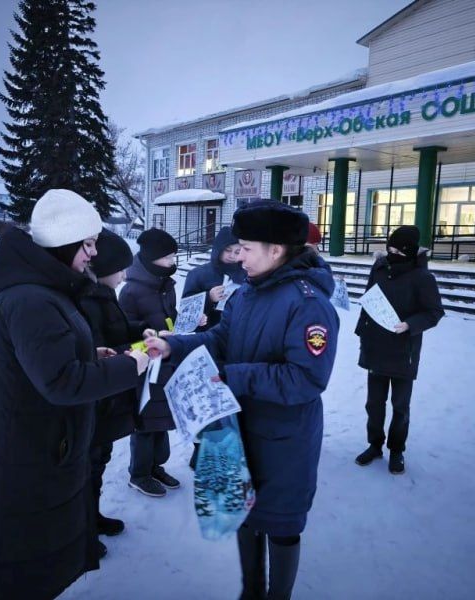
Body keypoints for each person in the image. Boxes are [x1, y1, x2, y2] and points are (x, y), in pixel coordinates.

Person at [147, 201, 340, 600]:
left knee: (282, 523)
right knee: (244, 512)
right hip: (238, 428)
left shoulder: (308, 303)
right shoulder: (247, 293)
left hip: (285, 439)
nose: (239, 256)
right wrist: (174, 346)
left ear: (276, 250)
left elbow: (306, 379)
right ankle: (250, 591)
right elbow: (219, 340)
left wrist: (233, 377)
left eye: (247, 248)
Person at [0, 189, 149, 599]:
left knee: (33, 566)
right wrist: (129, 365)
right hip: (21, 457)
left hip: (38, 449)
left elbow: (54, 360)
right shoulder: (31, 299)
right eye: (87, 243)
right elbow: (62, 383)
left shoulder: (47, 291)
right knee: (15, 570)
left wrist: (93, 353)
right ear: (64, 243)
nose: (93, 253)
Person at [77, 228, 151, 556]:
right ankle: (81, 534)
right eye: (120, 269)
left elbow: (117, 330)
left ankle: (92, 518)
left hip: (108, 398)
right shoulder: (85, 300)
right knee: (86, 467)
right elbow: (98, 347)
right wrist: (137, 349)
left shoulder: (104, 295)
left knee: (98, 461)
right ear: (104, 268)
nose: (124, 275)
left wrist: (141, 332)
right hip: (93, 398)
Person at [353, 225, 444, 475]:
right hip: (375, 346)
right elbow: (368, 299)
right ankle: (374, 445)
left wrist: (410, 325)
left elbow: (434, 312)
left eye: (396, 249)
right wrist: (362, 329)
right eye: (388, 247)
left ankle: (396, 450)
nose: (390, 253)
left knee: (400, 406)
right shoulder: (380, 268)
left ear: (408, 251)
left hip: (404, 350)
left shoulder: (423, 278)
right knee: (374, 403)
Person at [118, 228, 182, 498]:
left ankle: (156, 466)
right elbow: (123, 337)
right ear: (153, 259)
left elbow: (169, 318)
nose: (173, 262)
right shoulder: (130, 292)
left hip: (166, 362)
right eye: (168, 257)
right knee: (145, 422)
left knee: (163, 419)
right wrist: (151, 341)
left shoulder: (166, 285)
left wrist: (186, 322)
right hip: (145, 367)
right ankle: (139, 473)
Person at [181, 225, 245, 469]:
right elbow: (185, 314)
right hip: (206, 345)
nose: (232, 256)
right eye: (227, 250)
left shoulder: (247, 273)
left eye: (237, 250)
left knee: (231, 399)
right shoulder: (200, 274)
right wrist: (207, 299)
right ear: (217, 250)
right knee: (206, 401)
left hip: (236, 345)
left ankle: (228, 449)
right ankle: (200, 450)